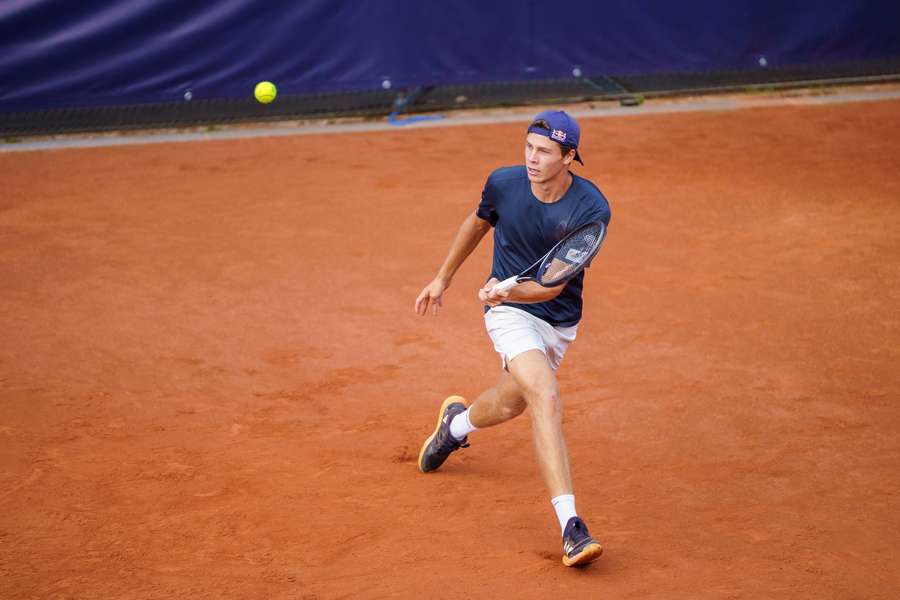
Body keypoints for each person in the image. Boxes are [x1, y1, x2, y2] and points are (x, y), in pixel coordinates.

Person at [414, 110, 611, 567]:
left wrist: (507, 285)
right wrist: (443, 279)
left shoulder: (590, 210)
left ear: (569, 157)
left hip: (556, 318)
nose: (532, 159)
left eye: (544, 151)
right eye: (528, 147)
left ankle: (455, 428)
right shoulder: (503, 183)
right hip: (508, 315)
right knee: (544, 396)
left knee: (511, 402)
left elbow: (555, 283)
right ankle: (571, 526)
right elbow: (477, 224)